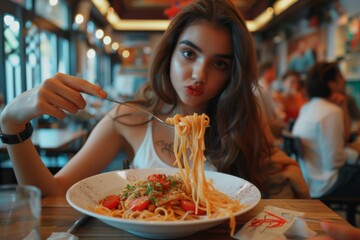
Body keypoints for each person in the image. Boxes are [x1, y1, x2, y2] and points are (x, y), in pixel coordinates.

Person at [0, 0, 309, 199]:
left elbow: (270, 191)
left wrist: (285, 178)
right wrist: (12, 123)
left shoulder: (242, 121)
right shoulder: (128, 119)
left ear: (233, 73)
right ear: (169, 54)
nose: (199, 74)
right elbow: (52, 194)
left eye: (219, 63)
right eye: (189, 53)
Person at [292, 61, 360, 198]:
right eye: (340, 76)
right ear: (331, 83)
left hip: (310, 180)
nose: (344, 79)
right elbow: (334, 162)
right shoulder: (331, 112)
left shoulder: (307, 108)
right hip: (326, 183)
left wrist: (343, 105)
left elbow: (344, 138)